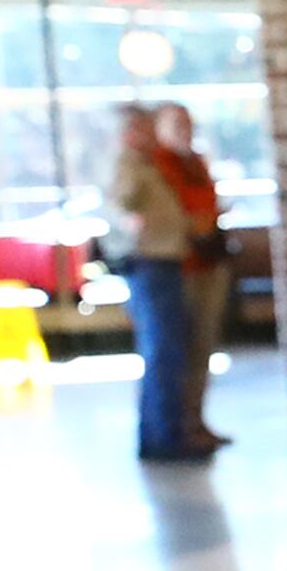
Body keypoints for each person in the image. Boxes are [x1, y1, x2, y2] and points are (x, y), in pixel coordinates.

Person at [103, 103, 208, 464]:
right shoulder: (127, 163)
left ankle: (165, 433)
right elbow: (116, 204)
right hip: (150, 264)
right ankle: (165, 439)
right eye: (148, 128)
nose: (154, 136)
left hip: (164, 261)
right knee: (162, 352)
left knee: (168, 350)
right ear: (131, 132)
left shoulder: (144, 163)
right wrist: (129, 220)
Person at [150, 102, 228, 449]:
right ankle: (177, 428)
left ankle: (196, 421)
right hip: (178, 269)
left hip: (209, 260)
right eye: (176, 124)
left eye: (188, 123)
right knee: (177, 351)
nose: (185, 130)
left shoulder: (195, 162)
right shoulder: (159, 166)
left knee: (202, 349)